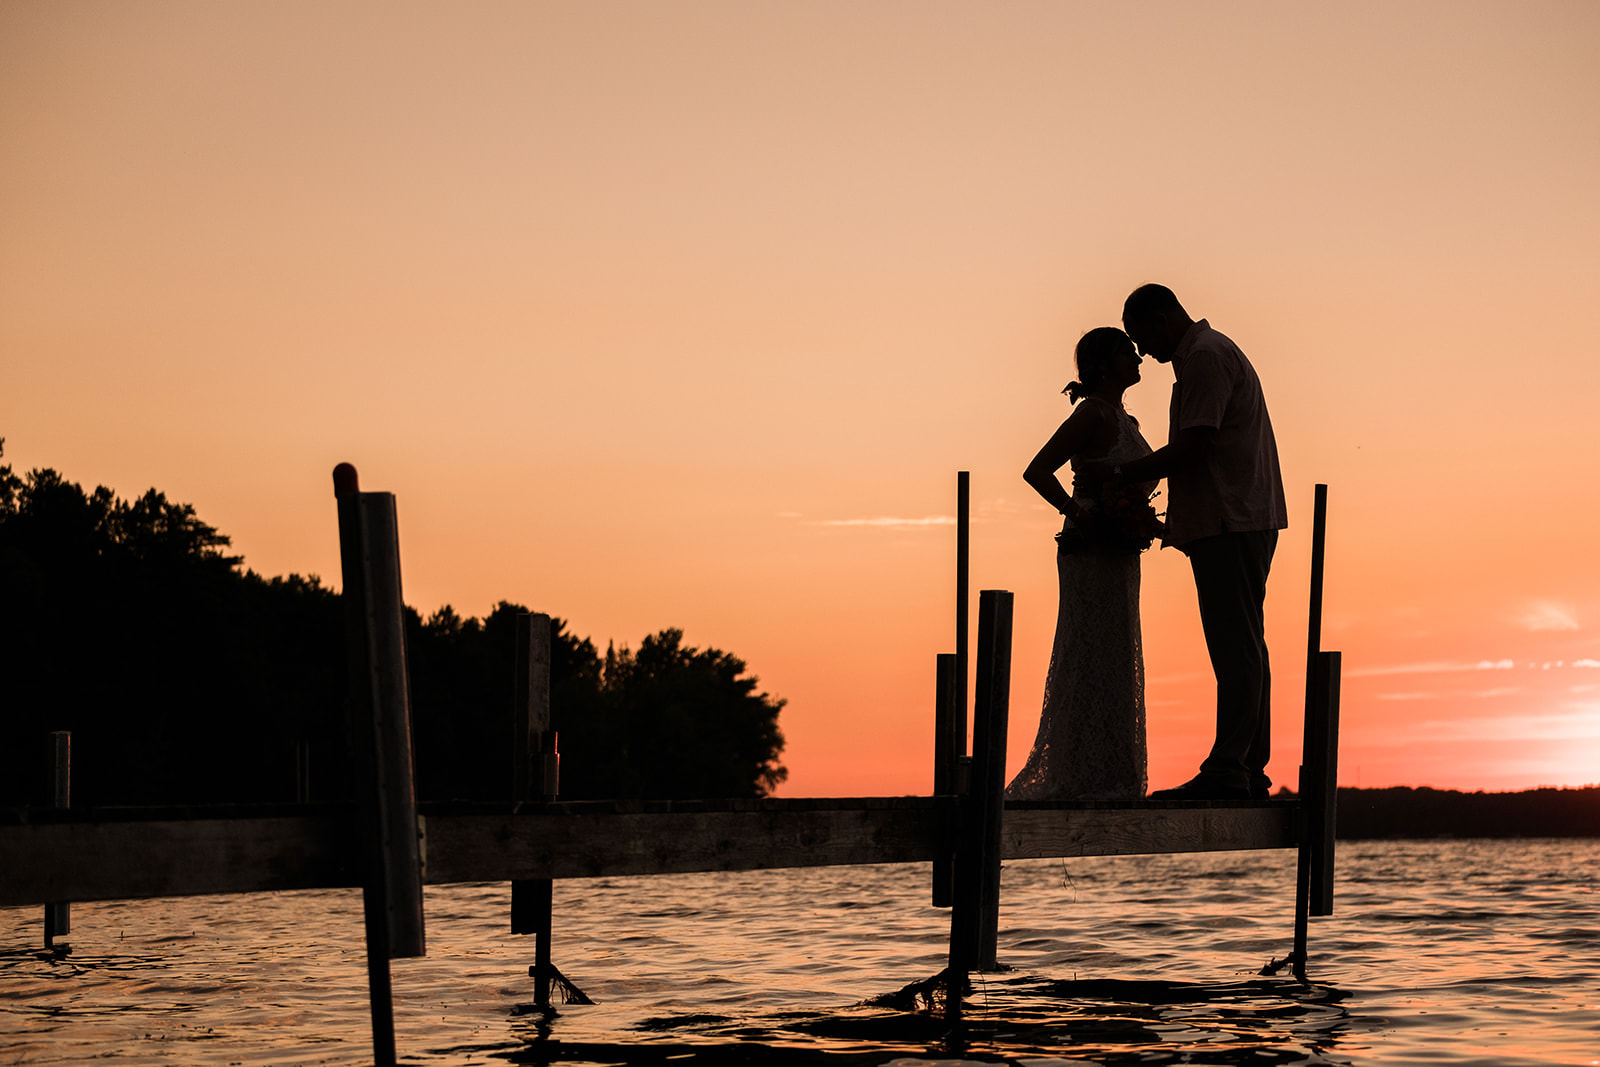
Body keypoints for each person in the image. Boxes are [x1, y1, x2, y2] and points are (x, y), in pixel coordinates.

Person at [1088, 284, 1287, 800]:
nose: (1146, 354)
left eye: (1141, 338)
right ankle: (1245, 768)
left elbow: (1193, 449)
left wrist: (1124, 473)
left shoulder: (1203, 360)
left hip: (1230, 520)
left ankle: (1230, 771)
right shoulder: (1205, 358)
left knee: (1234, 647)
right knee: (1244, 645)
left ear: (1161, 317)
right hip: (1233, 519)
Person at [1006, 327, 1158, 800]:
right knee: (1089, 649)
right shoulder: (1092, 413)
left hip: (1120, 549)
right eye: (1125, 351)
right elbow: (1037, 470)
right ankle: (1078, 774)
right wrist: (1078, 513)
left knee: (1115, 652)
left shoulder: (1124, 417)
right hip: (1090, 548)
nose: (1137, 355)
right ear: (1102, 363)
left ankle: (1110, 772)